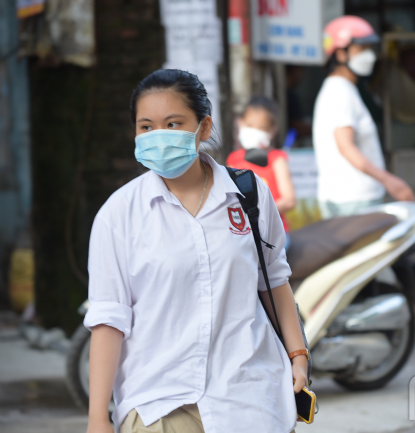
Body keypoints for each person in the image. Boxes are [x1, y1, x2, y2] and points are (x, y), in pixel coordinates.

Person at [84, 69, 307, 433]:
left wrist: (299, 357)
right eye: (146, 127)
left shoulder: (250, 196)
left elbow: (274, 281)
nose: (159, 136)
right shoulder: (118, 214)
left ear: (203, 128)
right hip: (158, 404)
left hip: (250, 398)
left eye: (173, 124)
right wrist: (98, 419)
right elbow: (109, 318)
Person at [313, 16, 415, 219]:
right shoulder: (340, 92)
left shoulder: (340, 89)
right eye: (362, 49)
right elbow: (346, 146)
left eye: (370, 49)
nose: (369, 56)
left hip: (345, 198)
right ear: (341, 54)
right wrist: (387, 179)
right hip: (354, 200)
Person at [226, 96, 296, 237]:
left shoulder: (276, 159)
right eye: (250, 126)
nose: (255, 131)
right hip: (243, 233)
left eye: (262, 128)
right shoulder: (234, 159)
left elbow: (289, 200)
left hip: (274, 232)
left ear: (272, 131)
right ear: (240, 123)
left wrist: (258, 210)